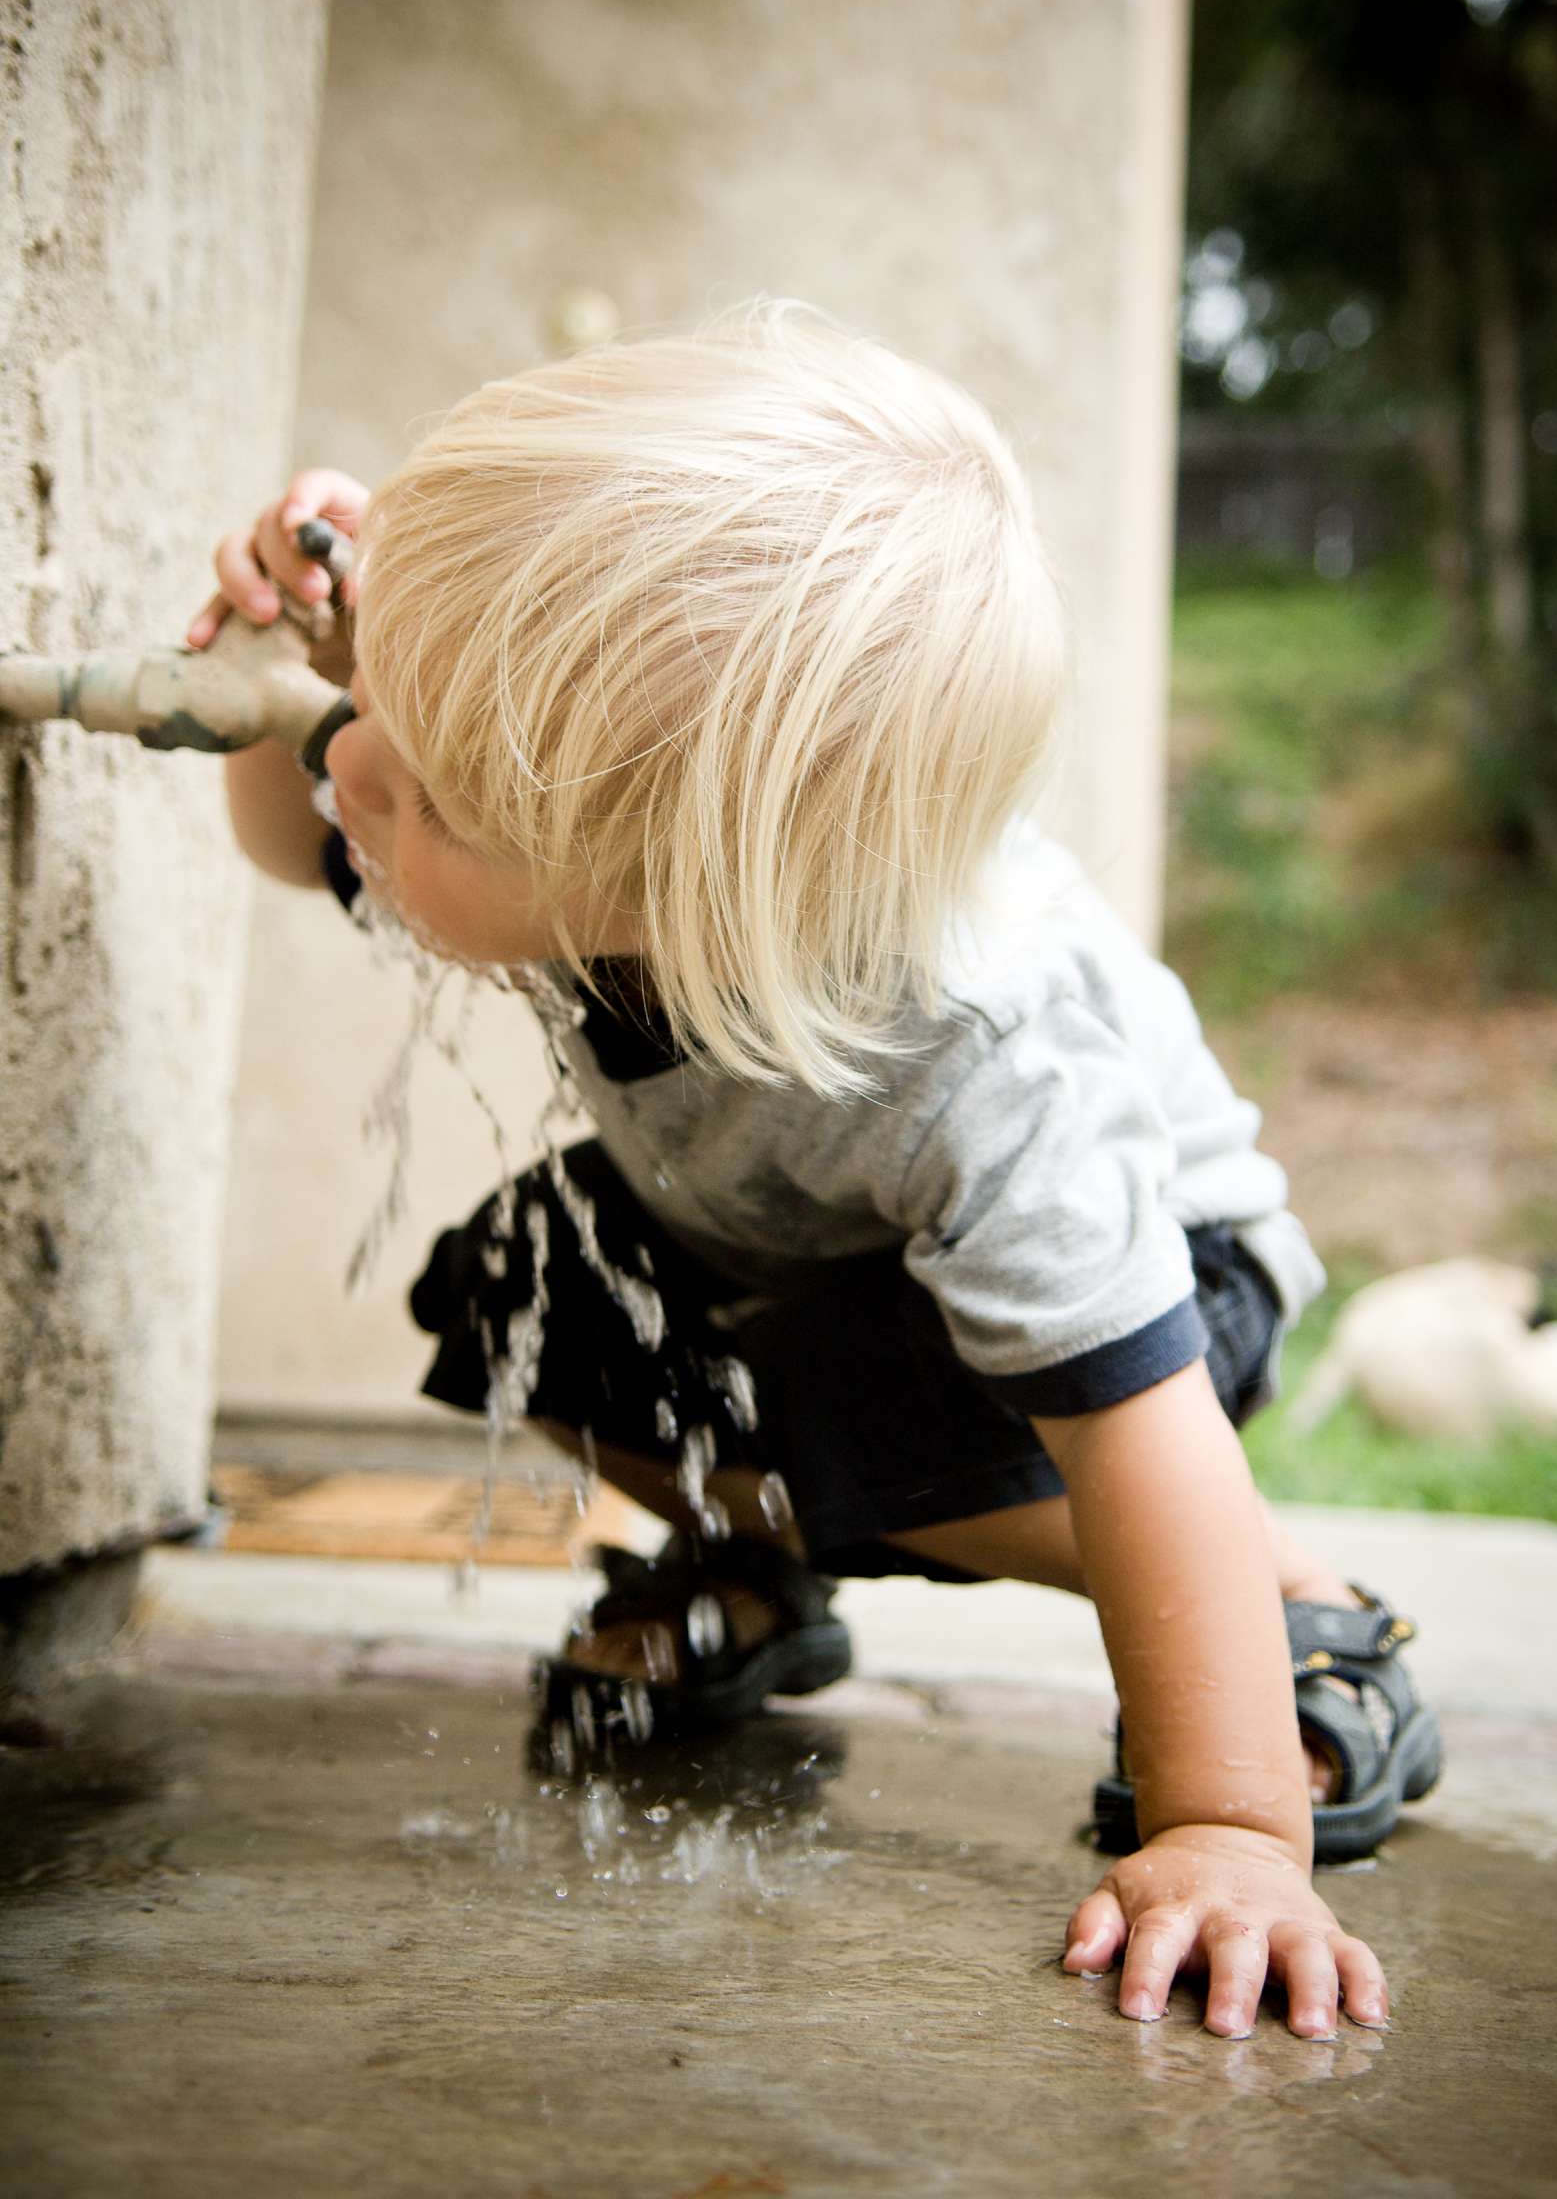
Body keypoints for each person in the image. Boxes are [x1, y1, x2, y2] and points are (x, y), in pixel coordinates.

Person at [194, 300, 1440, 2043]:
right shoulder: (559, 815)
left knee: (864, 1427)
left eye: (423, 789)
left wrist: (1227, 1828)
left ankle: (1297, 1611)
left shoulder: (981, 1054)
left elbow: (1135, 1429)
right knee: (515, 1298)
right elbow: (283, 829)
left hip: (1158, 1303)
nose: (356, 774)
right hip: (781, 1247)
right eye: (373, 718)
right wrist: (318, 662)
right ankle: (755, 1569)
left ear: (689, 888)